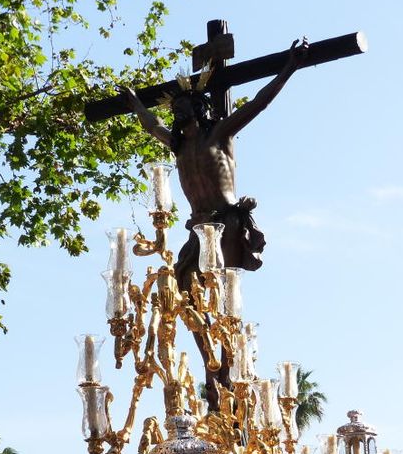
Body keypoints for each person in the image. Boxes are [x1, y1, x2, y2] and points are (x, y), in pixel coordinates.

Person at [120, 39, 309, 289]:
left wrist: (289, 67)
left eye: (181, 105)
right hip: (199, 226)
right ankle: (209, 329)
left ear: (197, 107)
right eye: (174, 107)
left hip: (228, 222)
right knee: (187, 288)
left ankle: (228, 326)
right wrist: (135, 104)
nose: (176, 109)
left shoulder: (219, 134)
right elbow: (153, 125)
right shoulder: (178, 145)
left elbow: (259, 102)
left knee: (221, 286)